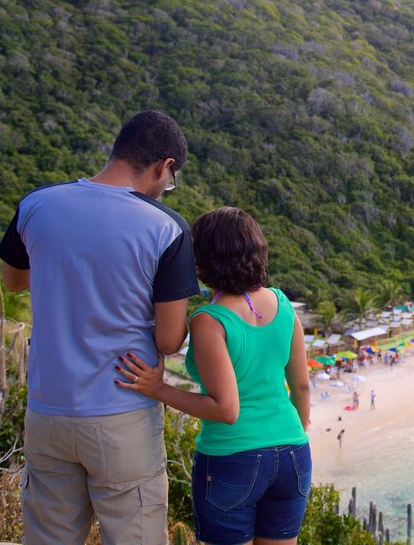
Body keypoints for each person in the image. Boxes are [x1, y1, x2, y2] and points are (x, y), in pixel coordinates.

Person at [0, 110, 198, 545]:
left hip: (48, 408)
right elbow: (167, 338)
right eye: (171, 177)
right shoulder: (167, 228)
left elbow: (13, 282)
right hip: (121, 409)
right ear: (165, 166)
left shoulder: (37, 204)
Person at [118, 207, 311, 545]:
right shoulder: (282, 303)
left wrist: (158, 388)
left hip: (234, 457)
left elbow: (226, 409)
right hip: (294, 451)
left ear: (203, 262)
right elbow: (301, 386)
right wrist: (293, 436)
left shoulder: (210, 320)